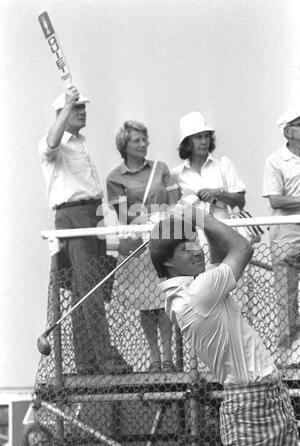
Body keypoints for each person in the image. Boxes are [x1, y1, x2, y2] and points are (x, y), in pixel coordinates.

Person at [148, 202, 299, 446]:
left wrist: (202, 223)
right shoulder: (197, 293)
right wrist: (202, 217)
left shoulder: (191, 292)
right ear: (168, 262)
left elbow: (217, 258)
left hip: (264, 396)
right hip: (251, 404)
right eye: (186, 249)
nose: (197, 250)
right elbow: (242, 247)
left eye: (196, 242)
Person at [38, 86, 132, 375]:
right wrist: (66, 105)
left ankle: (87, 361)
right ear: (62, 113)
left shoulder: (81, 143)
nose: (82, 112)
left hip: (92, 213)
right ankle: (104, 357)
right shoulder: (53, 142)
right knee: (88, 289)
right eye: (76, 108)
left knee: (87, 290)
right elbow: (52, 142)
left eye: (82, 108)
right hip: (74, 216)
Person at [106, 120, 181, 373]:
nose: (143, 144)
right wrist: (148, 218)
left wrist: (164, 217)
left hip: (161, 242)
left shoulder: (161, 168)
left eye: (144, 139)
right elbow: (124, 214)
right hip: (136, 246)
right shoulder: (115, 178)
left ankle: (168, 359)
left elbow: (175, 203)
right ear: (124, 146)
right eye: (136, 140)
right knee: (145, 305)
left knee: (164, 301)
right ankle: (154, 358)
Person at [263, 107, 300, 367]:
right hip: (286, 238)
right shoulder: (275, 161)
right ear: (287, 131)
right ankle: (288, 358)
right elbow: (275, 198)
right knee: (286, 298)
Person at [171, 111, 246, 220]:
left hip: (224, 229)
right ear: (188, 142)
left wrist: (218, 194)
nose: (204, 141)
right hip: (193, 232)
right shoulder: (177, 173)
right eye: (198, 137)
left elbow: (240, 201)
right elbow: (174, 209)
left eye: (206, 136)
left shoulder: (223, 163)